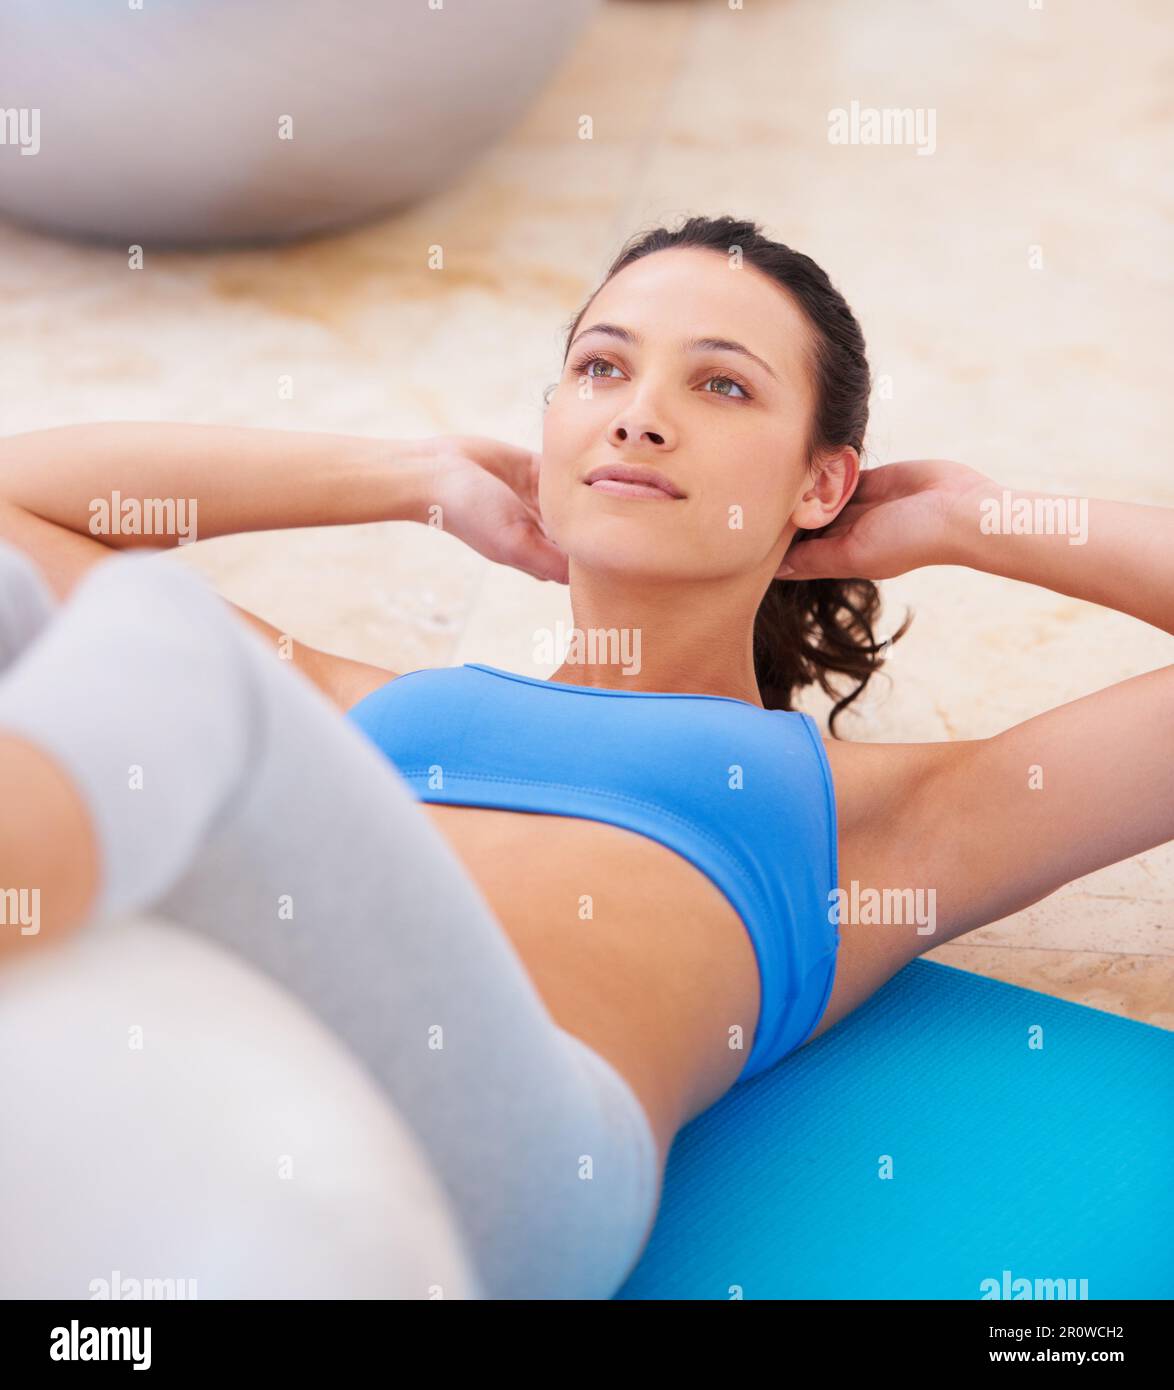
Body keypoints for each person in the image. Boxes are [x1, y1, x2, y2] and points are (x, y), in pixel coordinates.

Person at [0, 215, 1170, 1300]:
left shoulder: (875, 818)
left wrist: (973, 520)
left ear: (821, 482)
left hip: (497, 1164)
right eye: (603, 368)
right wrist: (408, 476)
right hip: (221, 1115)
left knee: (171, 635)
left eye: (721, 385)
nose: (639, 415)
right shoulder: (379, 705)